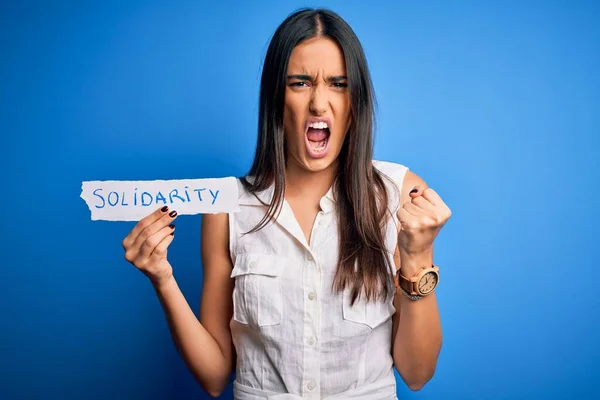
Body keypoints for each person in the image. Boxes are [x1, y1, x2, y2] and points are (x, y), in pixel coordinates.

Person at [122, 7, 451, 400]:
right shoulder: (226, 208)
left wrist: (419, 258)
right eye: (299, 83)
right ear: (276, 98)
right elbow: (214, 376)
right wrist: (162, 278)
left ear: (355, 102)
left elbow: (416, 374)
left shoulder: (399, 194)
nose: (318, 103)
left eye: (338, 83)